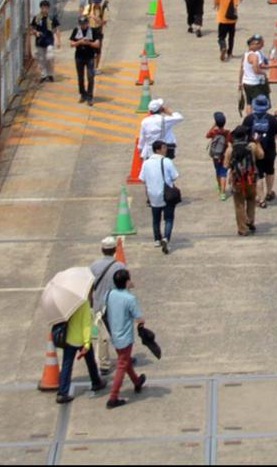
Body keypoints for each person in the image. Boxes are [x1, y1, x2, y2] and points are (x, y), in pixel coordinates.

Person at [103, 269, 146, 408]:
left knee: (124, 360)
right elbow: (139, 318)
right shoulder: (129, 298)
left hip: (114, 334)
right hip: (125, 337)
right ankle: (113, 397)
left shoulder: (109, 294)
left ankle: (136, 381)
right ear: (127, 281)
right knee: (122, 365)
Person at [142, 142, 181, 252]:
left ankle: (157, 239)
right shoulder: (167, 161)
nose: (166, 149)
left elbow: (143, 179)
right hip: (166, 194)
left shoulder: (146, 163)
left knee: (156, 218)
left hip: (152, 194)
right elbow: (174, 176)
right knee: (168, 219)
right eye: (164, 147)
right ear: (158, 150)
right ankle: (166, 238)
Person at [228, 125, 262, 235]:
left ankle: (242, 228)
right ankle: (250, 221)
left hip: (237, 180)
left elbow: (226, 165)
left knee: (239, 204)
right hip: (251, 178)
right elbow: (261, 155)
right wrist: (257, 142)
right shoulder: (252, 146)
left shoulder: (231, 149)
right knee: (251, 200)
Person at [71, 9, 100, 102]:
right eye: (81, 24)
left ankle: (90, 95)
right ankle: (83, 94)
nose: (83, 26)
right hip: (79, 57)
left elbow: (97, 44)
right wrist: (79, 42)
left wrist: (89, 43)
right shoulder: (76, 30)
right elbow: (71, 44)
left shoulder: (93, 31)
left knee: (90, 76)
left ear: (88, 23)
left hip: (90, 57)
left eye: (84, 23)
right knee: (80, 77)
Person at [205, 111, 232, 200]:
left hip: (216, 156)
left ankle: (220, 187)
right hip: (224, 155)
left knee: (217, 171)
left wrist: (213, 126)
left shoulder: (214, 132)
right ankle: (223, 193)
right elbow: (231, 141)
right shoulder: (227, 132)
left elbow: (207, 135)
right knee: (223, 173)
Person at [30, 0, 57, 84]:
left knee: (49, 57)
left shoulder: (51, 17)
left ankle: (50, 74)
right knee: (41, 59)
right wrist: (36, 32)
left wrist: (58, 39)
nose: (44, 9)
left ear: (48, 8)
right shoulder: (37, 18)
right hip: (40, 41)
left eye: (46, 7)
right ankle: (43, 75)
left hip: (49, 40)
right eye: (42, 8)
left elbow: (56, 29)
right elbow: (32, 29)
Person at [218, 0, 244, 65]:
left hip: (222, 19)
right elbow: (235, 7)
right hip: (232, 20)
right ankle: (230, 52)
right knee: (231, 37)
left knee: (221, 37)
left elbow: (216, 4)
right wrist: (236, 17)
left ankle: (222, 47)